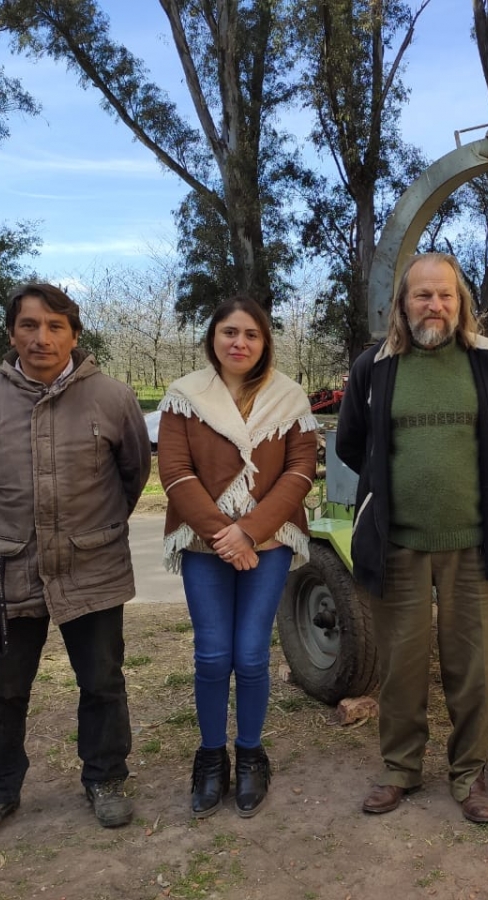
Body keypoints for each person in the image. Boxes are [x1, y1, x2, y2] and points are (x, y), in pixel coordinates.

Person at [0, 283, 151, 845]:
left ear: (74, 335)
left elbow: (132, 476)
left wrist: (91, 531)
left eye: (55, 326)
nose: (42, 338)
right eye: (30, 326)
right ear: (11, 332)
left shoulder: (113, 397)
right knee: (2, 688)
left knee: (103, 681)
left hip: (93, 567)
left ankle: (107, 779)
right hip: (6, 569)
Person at [336, 252, 488, 824]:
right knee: (401, 665)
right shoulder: (374, 366)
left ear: (461, 301)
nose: (435, 306)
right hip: (398, 543)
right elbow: (353, 442)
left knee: (471, 667)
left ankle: (469, 775)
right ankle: (400, 769)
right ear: (402, 303)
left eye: (445, 295)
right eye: (422, 295)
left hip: (473, 542)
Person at [157, 297, 317, 819]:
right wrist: (223, 533)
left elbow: (299, 472)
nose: (239, 343)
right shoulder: (185, 396)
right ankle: (210, 757)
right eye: (229, 332)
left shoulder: (289, 398)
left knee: (249, 655)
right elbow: (175, 471)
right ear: (213, 339)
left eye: (250, 334)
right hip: (204, 544)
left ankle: (250, 753)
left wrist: (248, 532)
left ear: (265, 342)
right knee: (211, 655)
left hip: (268, 543)